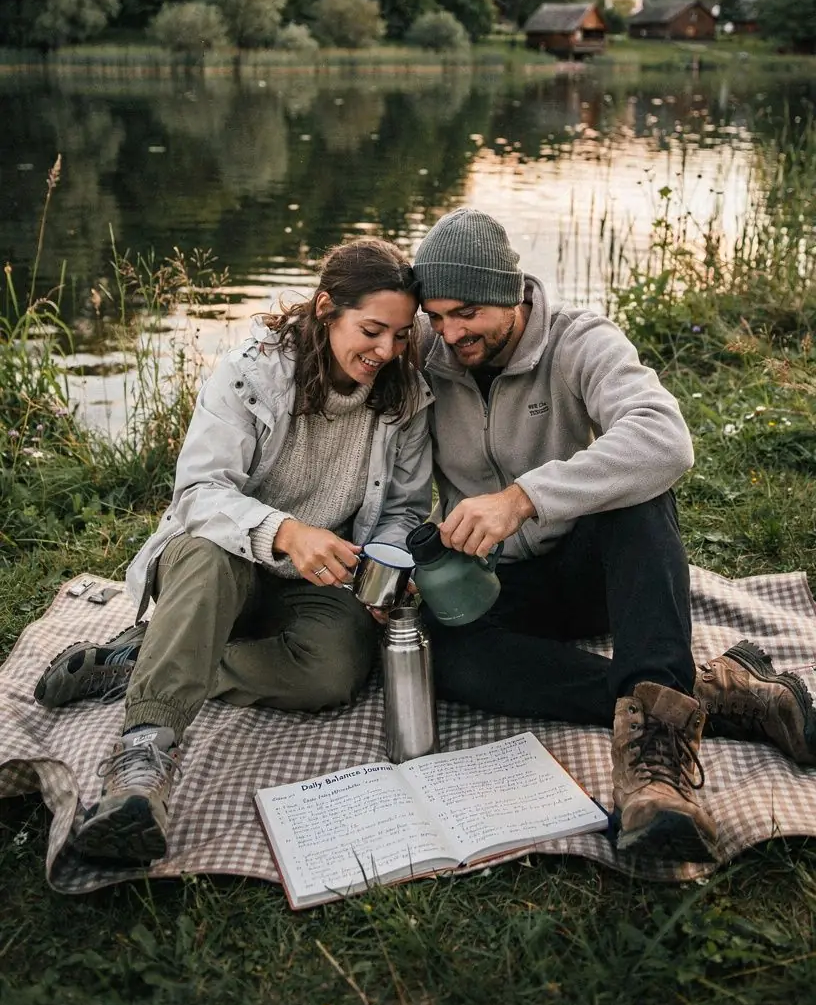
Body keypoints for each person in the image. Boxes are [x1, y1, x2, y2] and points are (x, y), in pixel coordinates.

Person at [411, 207, 816, 862]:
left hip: (591, 572)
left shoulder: (579, 340)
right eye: (435, 315)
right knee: (444, 659)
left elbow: (666, 438)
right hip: (496, 584)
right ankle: (708, 694)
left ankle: (656, 778)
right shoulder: (427, 356)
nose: (449, 333)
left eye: (466, 314)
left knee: (641, 494)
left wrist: (524, 498)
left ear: (511, 295)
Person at [36, 238, 433, 864]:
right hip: (222, 562)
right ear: (327, 308)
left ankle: (145, 657)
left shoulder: (404, 394)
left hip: (319, 580)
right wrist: (285, 532)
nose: (386, 352)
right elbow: (198, 492)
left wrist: (381, 564)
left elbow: (406, 507)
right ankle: (140, 767)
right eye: (373, 331)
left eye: (402, 336)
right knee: (206, 558)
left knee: (332, 674)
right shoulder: (252, 371)